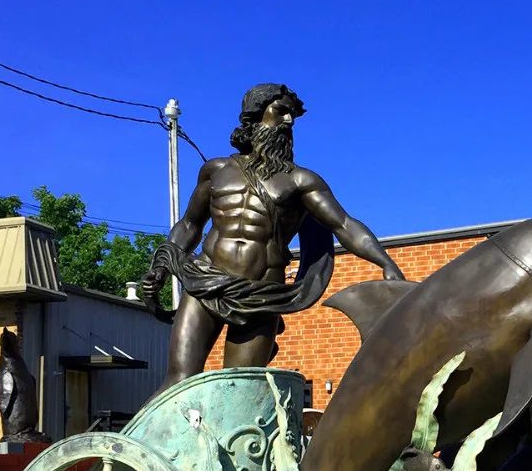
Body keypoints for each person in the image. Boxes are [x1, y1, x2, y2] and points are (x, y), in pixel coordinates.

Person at [141, 83, 404, 393]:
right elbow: (189, 225)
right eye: (281, 111)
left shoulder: (301, 180)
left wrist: (385, 262)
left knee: (238, 390)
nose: (289, 120)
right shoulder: (216, 170)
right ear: (255, 115)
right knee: (178, 382)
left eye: (292, 115)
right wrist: (160, 267)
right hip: (204, 283)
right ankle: (130, 441)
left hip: (261, 296)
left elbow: (344, 225)